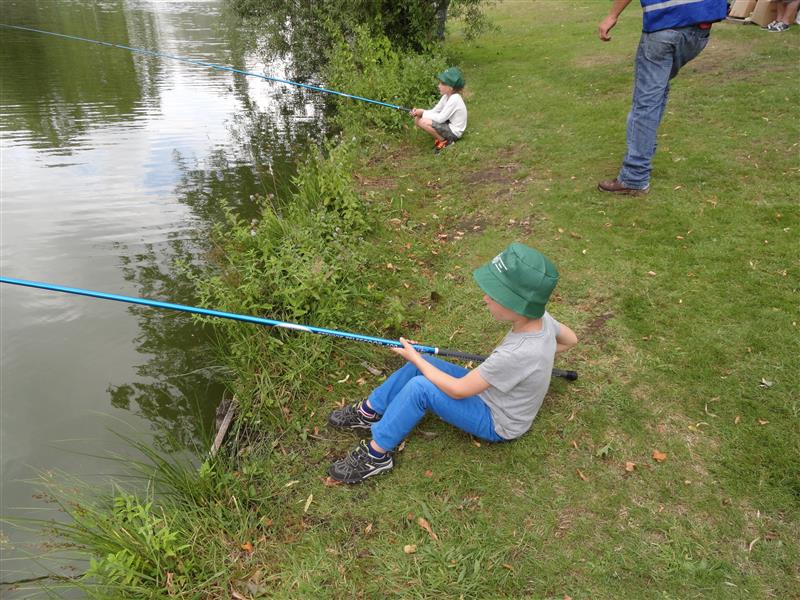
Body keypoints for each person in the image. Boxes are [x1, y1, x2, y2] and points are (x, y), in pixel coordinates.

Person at [326, 243, 579, 484]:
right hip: (492, 391)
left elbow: (459, 390)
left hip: (498, 421)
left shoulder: (515, 354)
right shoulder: (542, 319)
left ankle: (376, 456)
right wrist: (538, 360)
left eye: (494, 295)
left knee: (420, 388)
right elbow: (571, 340)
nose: (485, 298)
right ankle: (369, 412)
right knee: (421, 365)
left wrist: (414, 357)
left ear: (517, 304)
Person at [596, 0, 729, 196]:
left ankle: (634, 177)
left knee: (647, 101)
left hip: (665, 25)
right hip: (700, 29)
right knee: (657, 91)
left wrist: (612, 16)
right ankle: (643, 150)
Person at [409, 67, 467, 153]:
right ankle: (442, 139)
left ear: (450, 87)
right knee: (418, 119)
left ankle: (446, 141)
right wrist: (419, 113)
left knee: (424, 121)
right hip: (448, 124)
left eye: (442, 84)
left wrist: (423, 113)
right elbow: (435, 111)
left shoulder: (455, 98)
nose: (438, 86)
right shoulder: (446, 96)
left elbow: (440, 119)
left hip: (454, 132)